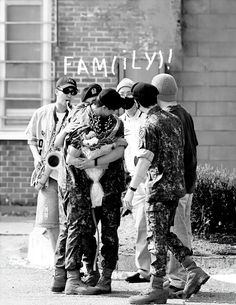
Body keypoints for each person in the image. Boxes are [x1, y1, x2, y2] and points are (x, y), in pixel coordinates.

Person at [123, 82, 209, 304]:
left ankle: (156, 288)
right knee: (164, 234)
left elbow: (144, 161)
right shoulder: (173, 120)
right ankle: (193, 269)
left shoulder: (148, 124)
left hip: (158, 188)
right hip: (176, 187)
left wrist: (131, 191)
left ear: (137, 101)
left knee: (155, 238)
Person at [52, 88, 127, 295]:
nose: (114, 113)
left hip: (109, 183)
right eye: (112, 109)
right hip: (79, 184)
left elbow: (120, 151)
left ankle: (105, 278)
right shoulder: (82, 121)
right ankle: (72, 279)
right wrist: (87, 161)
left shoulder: (116, 123)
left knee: (109, 231)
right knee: (78, 228)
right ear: (103, 106)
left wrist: (94, 161)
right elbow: (70, 155)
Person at [151, 73, 198, 296]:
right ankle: (183, 276)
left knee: (177, 232)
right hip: (186, 184)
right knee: (181, 230)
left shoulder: (169, 118)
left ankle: (181, 279)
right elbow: (192, 153)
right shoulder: (185, 115)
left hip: (175, 187)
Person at [25, 75, 78, 268]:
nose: (69, 96)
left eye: (73, 92)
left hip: (67, 172)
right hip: (47, 173)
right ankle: (58, 260)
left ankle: (67, 260)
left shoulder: (75, 115)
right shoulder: (41, 113)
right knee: (50, 221)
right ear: (56, 92)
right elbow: (31, 139)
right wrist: (37, 158)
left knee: (69, 219)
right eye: (66, 91)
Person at [117, 78, 151, 283]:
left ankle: (158, 270)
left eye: (129, 92)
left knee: (151, 224)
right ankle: (144, 270)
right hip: (131, 178)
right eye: (121, 93)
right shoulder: (120, 122)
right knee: (139, 225)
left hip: (147, 177)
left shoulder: (146, 118)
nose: (125, 97)